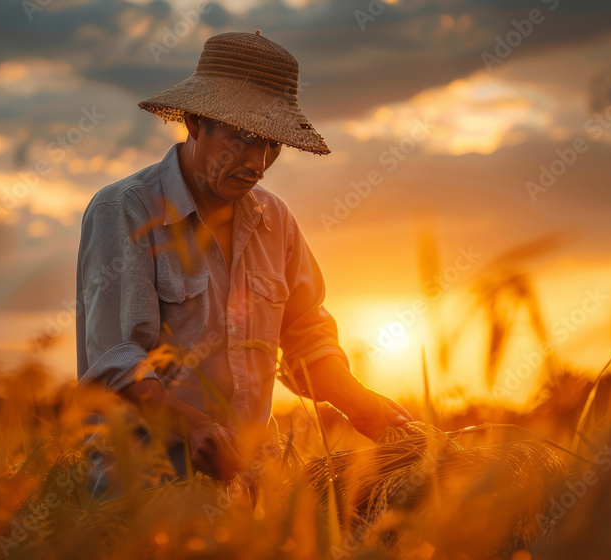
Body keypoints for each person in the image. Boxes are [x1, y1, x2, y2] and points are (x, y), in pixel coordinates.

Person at [74, 30, 411, 490]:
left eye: (272, 144)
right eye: (245, 137)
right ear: (196, 121)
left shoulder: (275, 221)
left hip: (249, 495)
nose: (258, 161)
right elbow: (118, 362)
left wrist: (363, 406)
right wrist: (196, 428)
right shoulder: (127, 211)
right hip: (142, 496)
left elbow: (306, 340)